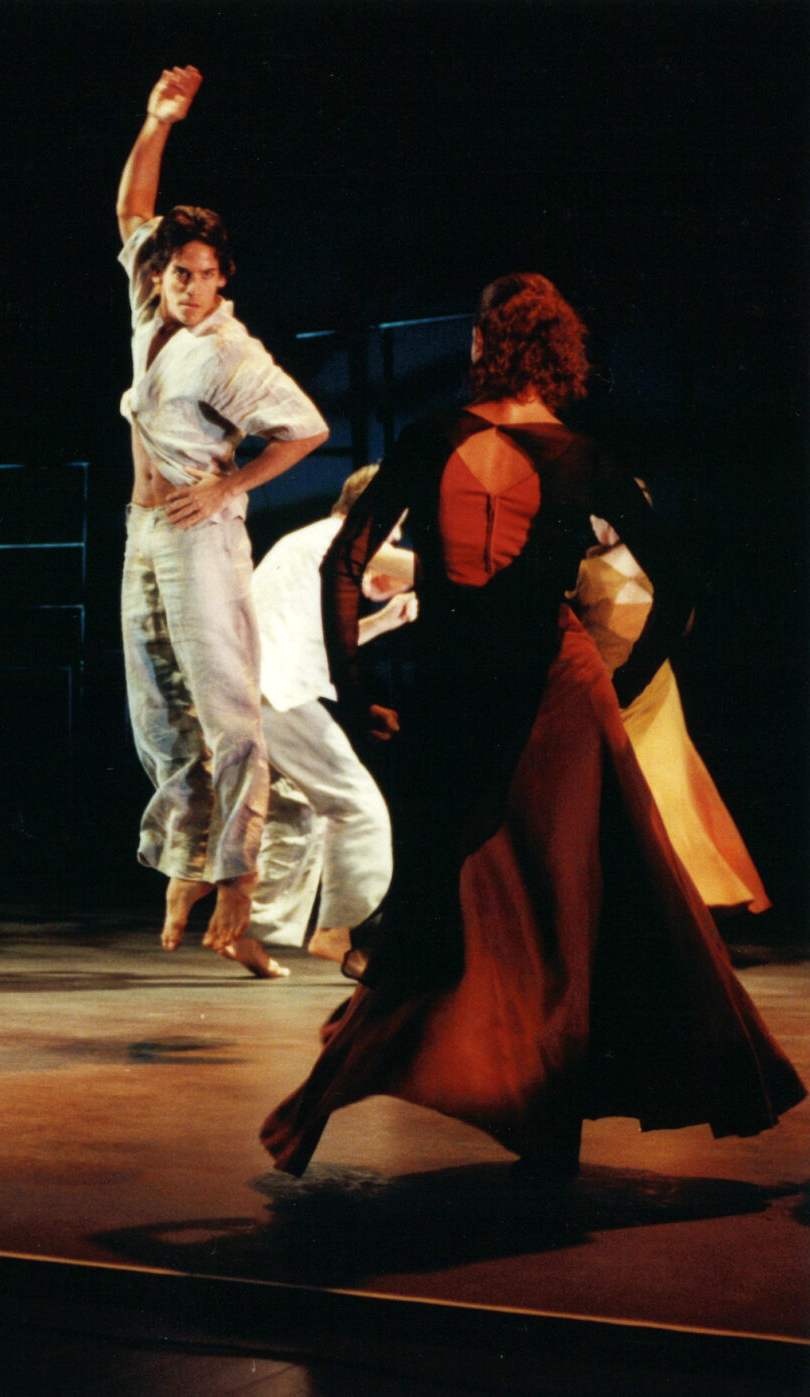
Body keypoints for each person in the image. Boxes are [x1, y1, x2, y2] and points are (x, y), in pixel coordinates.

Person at [261, 275, 803, 1177]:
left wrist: (356, 693)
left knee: (466, 903)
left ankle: (508, 1101)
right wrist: (617, 686)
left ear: (483, 344)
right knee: (564, 907)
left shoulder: (431, 438)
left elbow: (344, 564)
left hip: (460, 690)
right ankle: (544, 1115)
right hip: (558, 691)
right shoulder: (583, 456)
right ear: (559, 353)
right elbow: (678, 584)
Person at [114, 68, 331, 974]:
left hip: (201, 537)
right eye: (179, 272)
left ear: (223, 279)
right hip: (145, 533)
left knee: (228, 714)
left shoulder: (231, 352)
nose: (190, 286)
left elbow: (307, 428)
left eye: (206, 275)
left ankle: (237, 880)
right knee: (158, 712)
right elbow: (133, 210)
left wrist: (229, 483)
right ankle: (185, 862)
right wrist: (157, 121)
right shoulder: (151, 311)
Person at [248, 466, 416, 964]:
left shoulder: (312, 544)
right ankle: (339, 932)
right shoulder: (339, 536)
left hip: (261, 689)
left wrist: (383, 619)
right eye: (396, 526)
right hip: (276, 693)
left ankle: (249, 930)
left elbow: (322, 639)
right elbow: (436, 567)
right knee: (357, 807)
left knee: (300, 812)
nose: (396, 537)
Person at [572, 519, 768, 913]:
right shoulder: (625, 563)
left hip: (628, 679)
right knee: (659, 782)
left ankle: (673, 887)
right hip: (632, 675)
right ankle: (675, 887)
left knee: (654, 781)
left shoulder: (594, 568)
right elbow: (684, 621)